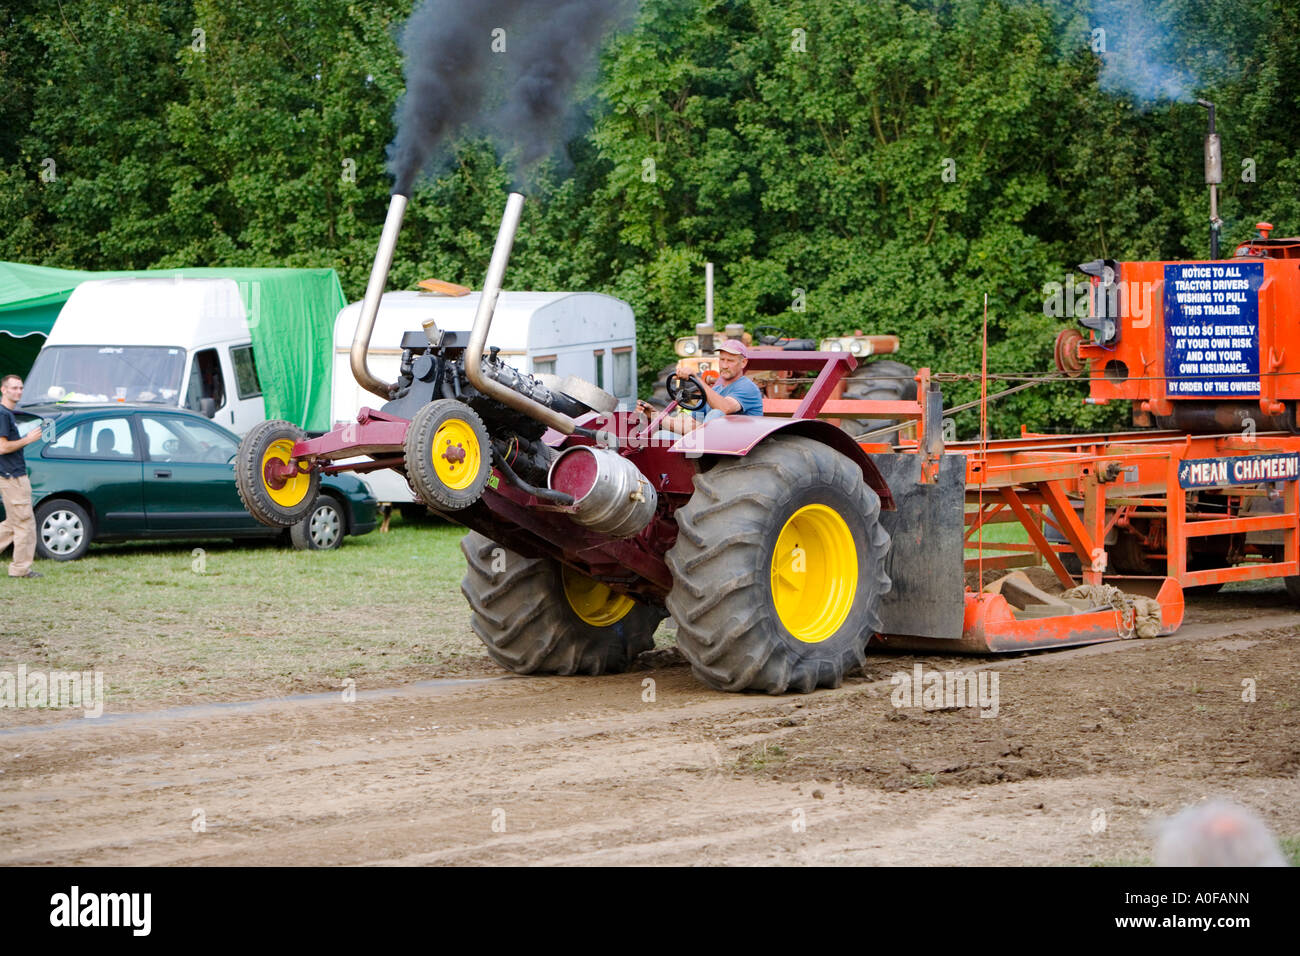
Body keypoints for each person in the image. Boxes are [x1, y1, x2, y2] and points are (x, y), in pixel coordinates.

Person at [638, 339, 764, 434]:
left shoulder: (747, 387)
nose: (724, 365)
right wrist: (654, 415)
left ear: (743, 363)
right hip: (713, 445)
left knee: (716, 414)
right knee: (663, 436)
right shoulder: (715, 391)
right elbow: (689, 425)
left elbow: (724, 408)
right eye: (722, 359)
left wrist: (697, 379)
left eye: (730, 361)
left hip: (741, 446)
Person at [0, 375, 43, 579]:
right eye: (14, 388)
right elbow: (2, 447)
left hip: (13, 475)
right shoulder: (3, 414)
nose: (18, 391)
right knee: (24, 522)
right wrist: (28, 439)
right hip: (12, 476)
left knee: (13, 523)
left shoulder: (7, 414)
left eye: (20, 388)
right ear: (3, 390)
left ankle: (21, 568)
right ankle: (20, 569)